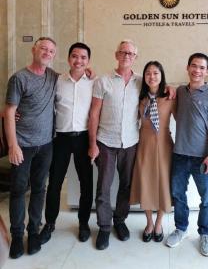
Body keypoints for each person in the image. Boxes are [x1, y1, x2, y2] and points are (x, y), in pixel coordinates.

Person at [4, 37, 58, 258]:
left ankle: (33, 231)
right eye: (43, 48)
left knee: (39, 189)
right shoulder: (19, 78)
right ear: (34, 50)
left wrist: (89, 71)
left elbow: (76, 76)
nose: (47, 52)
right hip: (22, 146)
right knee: (18, 191)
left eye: (51, 50)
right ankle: (17, 236)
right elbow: (9, 112)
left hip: (46, 145)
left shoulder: (54, 77)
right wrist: (12, 145)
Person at [166, 53, 208, 257]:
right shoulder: (180, 91)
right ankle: (180, 228)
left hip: (202, 157)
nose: (197, 70)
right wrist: (169, 88)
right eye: (193, 66)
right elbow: (175, 112)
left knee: (207, 198)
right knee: (178, 196)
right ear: (187, 68)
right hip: (179, 154)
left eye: (201, 67)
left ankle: (205, 234)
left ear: (207, 71)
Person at [39, 42, 94, 245]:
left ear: (88, 61)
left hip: (83, 138)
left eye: (83, 57)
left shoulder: (93, 81)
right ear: (69, 58)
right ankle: (50, 224)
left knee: (86, 184)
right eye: (75, 56)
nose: (78, 61)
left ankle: (84, 224)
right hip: (60, 138)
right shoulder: (57, 80)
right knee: (54, 183)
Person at [88, 40, 140, 250]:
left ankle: (119, 220)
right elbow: (93, 113)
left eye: (130, 53)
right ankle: (104, 227)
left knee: (126, 185)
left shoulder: (140, 81)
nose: (126, 55)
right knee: (103, 187)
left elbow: (159, 86)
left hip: (131, 142)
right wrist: (93, 143)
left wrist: (171, 89)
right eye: (122, 52)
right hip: (106, 142)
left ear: (135, 57)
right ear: (116, 55)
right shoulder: (103, 81)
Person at [129, 61, 176, 243]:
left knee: (163, 184)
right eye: (148, 73)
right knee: (146, 183)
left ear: (162, 75)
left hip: (164, 144)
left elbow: (182, 118)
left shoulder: (171, 97)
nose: (152, 76)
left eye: (156, 73)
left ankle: (159, 223)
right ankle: (148, 222)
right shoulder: (139, 98)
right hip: (144, 145)